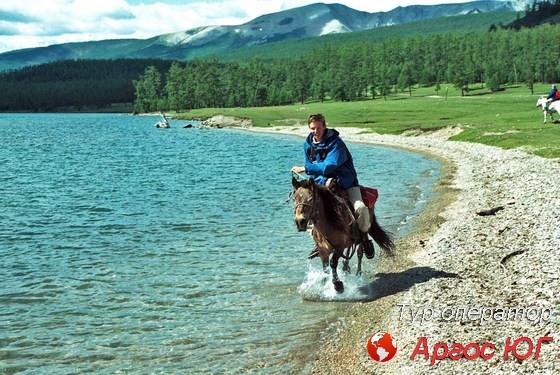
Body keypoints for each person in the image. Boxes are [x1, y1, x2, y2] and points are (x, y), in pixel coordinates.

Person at [291, 113, 375, 258]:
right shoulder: (308, 144)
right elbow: (315, 171)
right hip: (323, 184)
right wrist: (322, 182)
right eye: (312, 128)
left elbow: (329, 166)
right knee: (309, 207)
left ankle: (364, 237)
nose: (315, 131)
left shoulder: (336, 143)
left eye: (318, 128)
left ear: (324, 126)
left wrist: (305, 168)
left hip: (346, 183)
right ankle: (320, 241)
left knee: (360, 208)